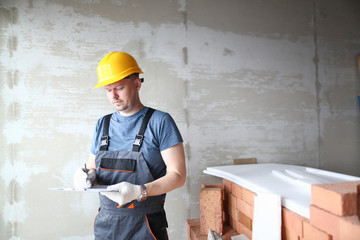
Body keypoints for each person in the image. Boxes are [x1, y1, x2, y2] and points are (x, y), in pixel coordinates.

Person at [73, 52, 186, 240]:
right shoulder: (103, 123)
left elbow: (178, 176)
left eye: (119, 88)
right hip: (107, 225)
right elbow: (92, 167)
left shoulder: (160, 122)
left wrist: (139, 191)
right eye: (108, 90)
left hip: (146, 227)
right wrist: (87, 176)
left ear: (137, 84)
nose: (113, 96)